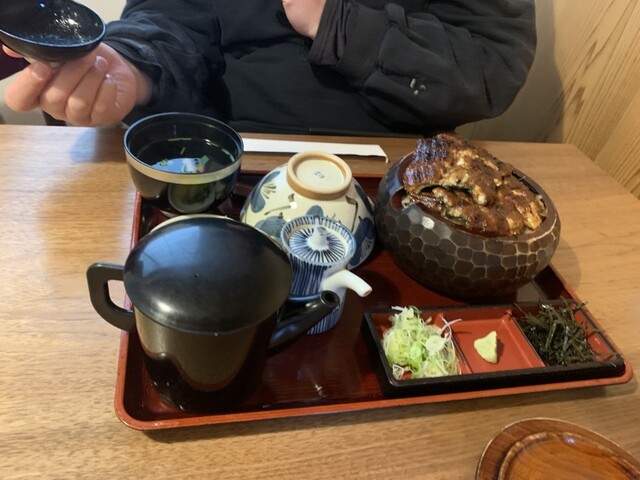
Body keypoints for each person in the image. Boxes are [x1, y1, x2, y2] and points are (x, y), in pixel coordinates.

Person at [2, 0, 536, 136]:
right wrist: (138, 69)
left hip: (400, 177)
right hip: (215, 158)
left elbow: (492, 65)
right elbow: (167, 17)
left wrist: (336, 23)